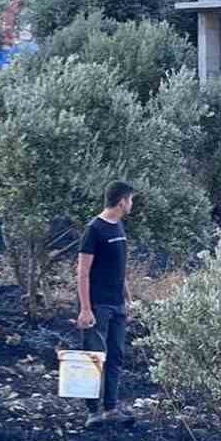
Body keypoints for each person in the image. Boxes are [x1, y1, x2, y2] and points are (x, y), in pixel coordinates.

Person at [75, 180, 135, 422]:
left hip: (117, 305)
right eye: (130, 200)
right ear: (122, 201)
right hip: (98, 305)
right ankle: (92, 412)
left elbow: (119, 269)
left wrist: (128, 299)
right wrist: (86, 309)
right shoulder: (94, 230)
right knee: (95, 355)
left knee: (116, 355)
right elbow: (82, 272)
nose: (131, 205)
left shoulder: (119, 226)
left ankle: (111, 408)